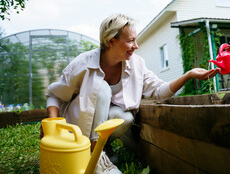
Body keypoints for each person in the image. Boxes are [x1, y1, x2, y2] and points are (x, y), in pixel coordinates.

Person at [43, 14, 220, 174]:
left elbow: (159, 91)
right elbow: (55, 95)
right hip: (75, 126)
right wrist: (52, 128)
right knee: (102, 87)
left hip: (98, 129)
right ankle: (93, 157)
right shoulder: (83, 62)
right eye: (130, 41)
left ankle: (99, 153)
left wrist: (188, 75)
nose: (136, 46)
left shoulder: (137, 65)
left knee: (124, 117)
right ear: (111, 41)